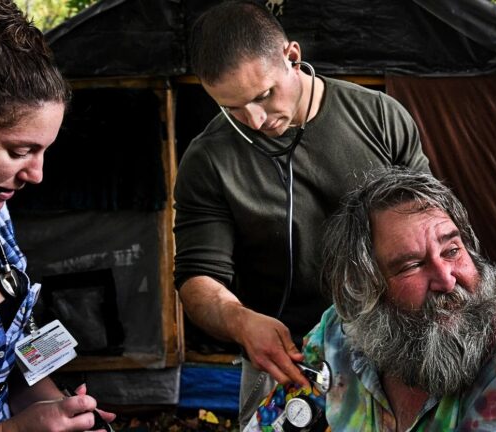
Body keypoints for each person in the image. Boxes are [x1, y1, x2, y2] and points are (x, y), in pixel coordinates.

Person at [174, 0, 430, 426]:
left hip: (396, 346)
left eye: (263, 96)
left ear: (293, 57)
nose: (254, 120)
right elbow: (198, 279)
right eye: (232, 108)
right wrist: (240, 322)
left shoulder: (381, 118)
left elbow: (432, 229)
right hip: (285, 361)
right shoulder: (207, 160)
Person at [246, 167, 496, 431]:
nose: (446, 278)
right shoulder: (340, 331)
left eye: (452, 250)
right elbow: (273, 423)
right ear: (367, 284)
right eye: (412, 265)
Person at [0, 0, 115, 430]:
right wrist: (17, 430)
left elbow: (11, 364)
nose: (36, 175)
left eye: (43, 151)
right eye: (19, 151)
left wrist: (61, 410)